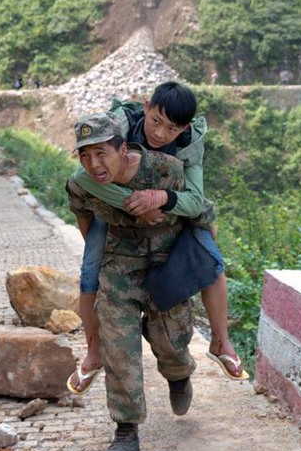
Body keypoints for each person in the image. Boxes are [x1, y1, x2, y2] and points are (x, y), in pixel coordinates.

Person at [66, 81, 246, 399]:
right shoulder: (119, 125)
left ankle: (220, 340)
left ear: (185, 128)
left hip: (169, 211)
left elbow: (193, 199)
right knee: (90, 273)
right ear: (146, 107)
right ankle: (93, 351)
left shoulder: (190, 145)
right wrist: (132, 203)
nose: (160, 134)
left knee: (212, 261)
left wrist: (158, 198)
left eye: (172, 129)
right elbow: (83, 176)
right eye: (156, 121)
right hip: (115, 208)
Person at [66, 112, 196, 451]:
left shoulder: (166, 169)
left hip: (165, 264)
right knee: (119, 348)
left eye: (101, 153)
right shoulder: (80, 184)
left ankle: (178, 373)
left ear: (123, 149)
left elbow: (198, 211)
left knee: (170, 341)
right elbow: (83, 216)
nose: (94, 164)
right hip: (119, 268)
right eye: (85, 156)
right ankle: (126, 430)